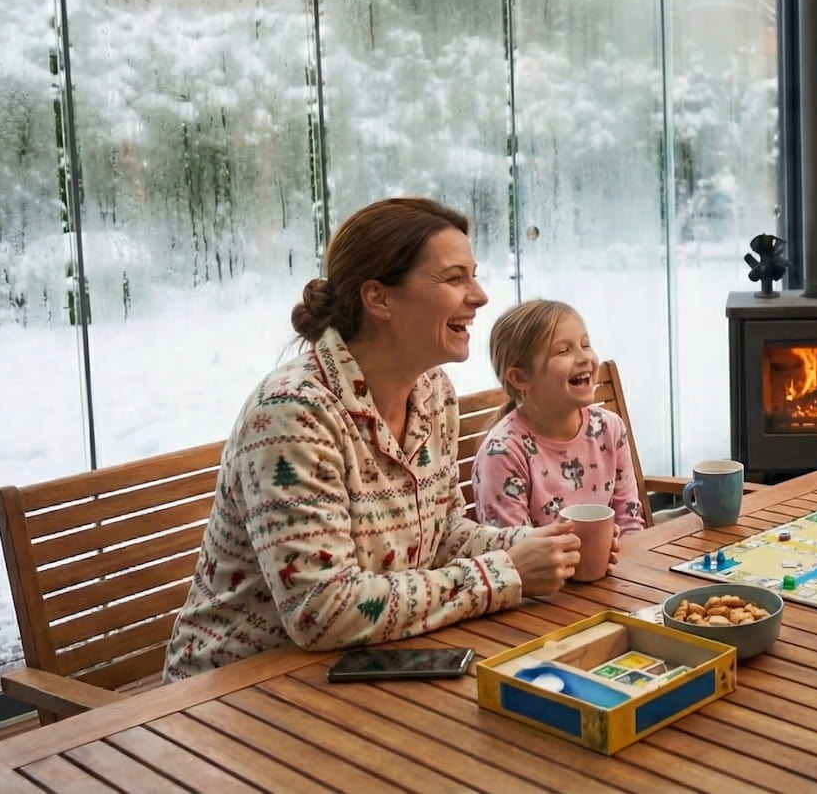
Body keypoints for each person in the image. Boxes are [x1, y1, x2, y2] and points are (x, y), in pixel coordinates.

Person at [163, 198, 581, 682]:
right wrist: (503, 572)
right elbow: (321, 609)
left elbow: (443, 535)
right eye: (454, 278)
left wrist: (544, 546)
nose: (480, 296)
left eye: (474, 275)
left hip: (367, 665)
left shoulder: (433, 393)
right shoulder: (294, 413)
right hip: (233, 692)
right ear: (379, 299)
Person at [473, 299, 645, 544]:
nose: (584, 357)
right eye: (563, 351)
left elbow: (629, 524)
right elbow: (516, 552)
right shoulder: (502, 453)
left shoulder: (609, 428)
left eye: (585, 345)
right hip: (542, 570)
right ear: (520, 378)